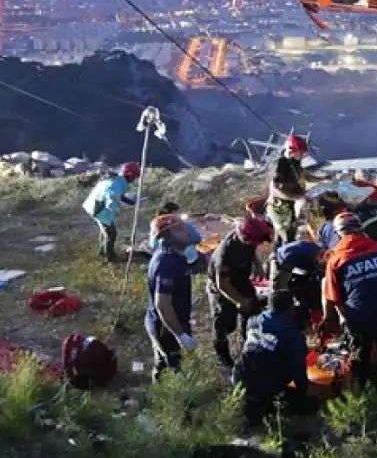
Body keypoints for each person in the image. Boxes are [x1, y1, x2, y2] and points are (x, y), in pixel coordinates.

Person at [322, 212, 377, 393]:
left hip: (359, 318)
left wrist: (340, 318)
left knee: (359, 357)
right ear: (361, 228)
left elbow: (333, 296)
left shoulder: (336, 260)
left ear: (339, 234)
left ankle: (361, 397)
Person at [232, 290, 315, 428]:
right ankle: (266, 406)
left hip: (240, 376)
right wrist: (303, 395)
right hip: (267, 385)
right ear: (290, 308)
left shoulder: (253, 321)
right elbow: (299, 375)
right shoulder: (293, 337)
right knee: (309, 403)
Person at [207, 215, 275, 369]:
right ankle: (223, 358)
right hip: (222, 288)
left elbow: (252, 252)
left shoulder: (250, 239)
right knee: (224, 323)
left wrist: (257, 266)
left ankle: (251, 346)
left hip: (241, 280)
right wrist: (239, 301)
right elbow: (222, 284)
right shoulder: (225, 253)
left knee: (252, 312)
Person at [145, 214, 198, 383]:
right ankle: (180, 404)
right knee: (177, 369)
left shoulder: (175, 255)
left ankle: (158, 382)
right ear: (168, 237)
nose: (186, 231)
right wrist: (181, 336)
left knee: (162, 360)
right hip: (166, 327)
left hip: (167, 322)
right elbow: (163, 304)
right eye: (179, 229)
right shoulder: (166, 264)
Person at [82, 163, 142, 262]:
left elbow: (118, 195)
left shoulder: (116, 179)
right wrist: (114, 209)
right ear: (130, 175)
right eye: (135, 176)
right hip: (99, 209)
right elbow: (112, 197)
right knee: (111, 233)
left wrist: (129, 201)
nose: (134, 179)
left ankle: (102, 251)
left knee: (105, 231)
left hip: (92, 205)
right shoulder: (117, 184)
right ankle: (110, 257)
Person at [273, 240, 326, 330]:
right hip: (284, 262)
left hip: (305, 267)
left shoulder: (322, 254)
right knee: (287, 297)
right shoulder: (292, 255)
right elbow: (280, 284)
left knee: (314, 293)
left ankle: (314, 324)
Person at [266, 135, 309, 247]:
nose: (302, 156)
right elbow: (275, 189)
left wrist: (323, 179)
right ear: (291, 150)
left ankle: (280, 254)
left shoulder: (294, 161)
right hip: (280, 208)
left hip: (291, 204)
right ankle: (283, 260)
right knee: (287, 238)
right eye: (300, 153)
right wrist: (297, 198)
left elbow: (301, 174)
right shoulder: (279, 165)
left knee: (289, 234)